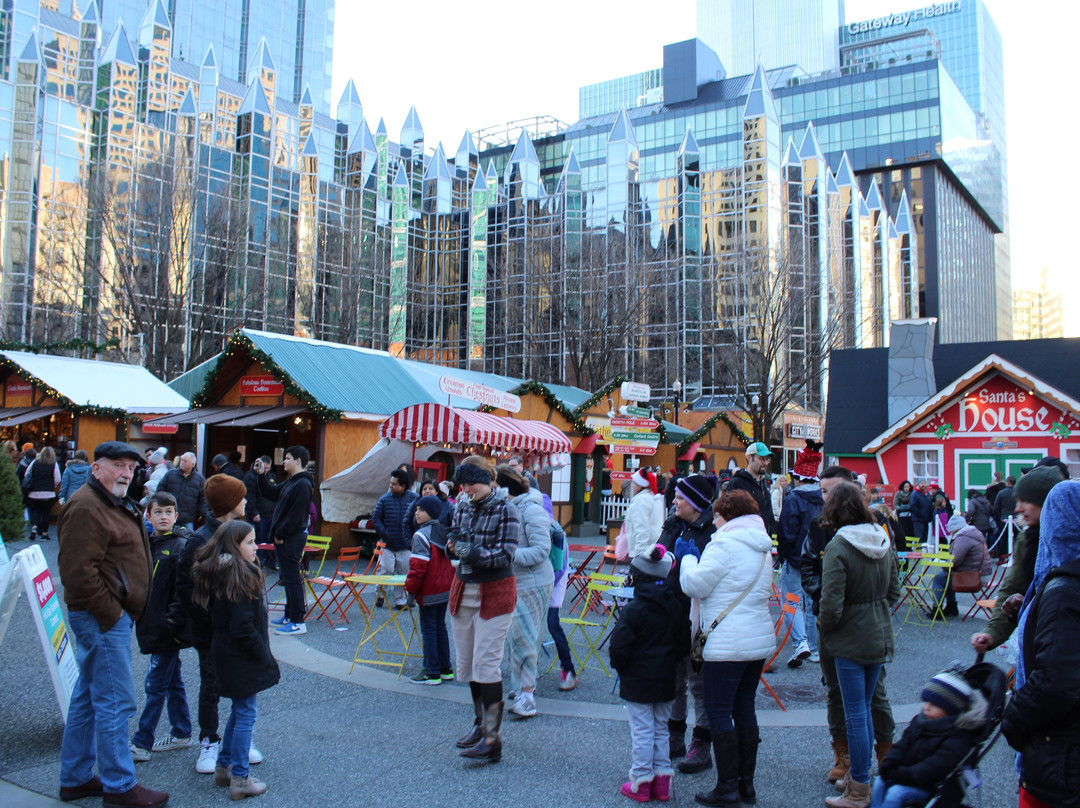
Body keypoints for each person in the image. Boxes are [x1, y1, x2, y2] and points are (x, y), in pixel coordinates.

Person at [56, 441, 169, 808]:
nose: (125, 472)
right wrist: (112, 614)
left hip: (108, 617)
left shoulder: (112, 501)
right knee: (116, 702)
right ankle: (119, 786)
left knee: (89, 698)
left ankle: (74, 778)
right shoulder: (88, 506)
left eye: (131, 467)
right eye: (117, 464)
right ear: (96, 469)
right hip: (102, 619)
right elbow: (78, 575)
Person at [677, 490, 774, 807]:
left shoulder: (723, 543)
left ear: (728, 517)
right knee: (745, 709)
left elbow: (695, 585)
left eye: (717, 516)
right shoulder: (762, 546)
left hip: (726, 644)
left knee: (719, 712)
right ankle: (747, 787)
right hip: (756, 640)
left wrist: (688, 559)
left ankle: (726, 788)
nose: (713, 522)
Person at [818, 482, 901, 808]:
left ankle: (859, 788)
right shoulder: (882, 538)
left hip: (850, 639)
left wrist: (829, 629)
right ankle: (860, 779)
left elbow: (831, 605)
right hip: (879, 632)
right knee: (865, 708)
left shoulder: (839, 546)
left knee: (854, 713)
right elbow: (894, 591)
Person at [173, 472, 262, 775]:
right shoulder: (199, 539)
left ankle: (239, 740)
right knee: (211, 685)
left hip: (243, 628)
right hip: (211, 632)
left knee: (245, 685)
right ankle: (209, 740)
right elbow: (186, 589)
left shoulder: (243, 532)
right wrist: (211, 622)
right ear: (229, 503)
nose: (246, 500)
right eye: (241, 496)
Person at [1000, 478, 1080, 808]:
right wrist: (1032, 611)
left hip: (1061, 756)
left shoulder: (1064, 589)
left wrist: (1015, 720)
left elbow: (1056, 682)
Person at [192, 521, 280, 801]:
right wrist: (264, 656)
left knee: (240, 709)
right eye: (250, 542)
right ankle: (240, 777)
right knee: (246, 712)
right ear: (234, 545)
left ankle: (224, 766)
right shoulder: (237, 577)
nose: (256, 548)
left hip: (226, 653)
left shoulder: (224, 571)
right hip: (239, 655)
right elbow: (243, 627)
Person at [447, 458, 519, 763]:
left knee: (487, 663)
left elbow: (505, 555)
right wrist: (459, 547)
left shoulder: (507, 509)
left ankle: (493, 739)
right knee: (468, 664)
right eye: (462, 485)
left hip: (496, 593)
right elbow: (453, 538)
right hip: (464, 590)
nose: (465, 490)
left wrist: (465, 551)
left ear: (488, 482)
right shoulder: (462, 505)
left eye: (470, 484)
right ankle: (479, 726)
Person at [609, 544, 690, 802]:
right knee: (659, 728)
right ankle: (662, 781)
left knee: (642, 730)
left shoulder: (634, 609)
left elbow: (619, 647)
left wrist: (623, 668)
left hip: (638, 680)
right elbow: (683, 644)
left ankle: (641, 780)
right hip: (666, 678)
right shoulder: (676, 607)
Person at [657, 474, 717, 772]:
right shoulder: (673, 525)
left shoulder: (709, 533)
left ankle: (702, 744)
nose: (674, 501)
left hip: (696, 617)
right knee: (674, 679)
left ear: (694, 503)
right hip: (670, 611)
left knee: (698, 682)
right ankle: (675, 736)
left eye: (680, 498)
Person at [970, 465, 1063, 654]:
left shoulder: (1069, 539)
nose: (1018, 508)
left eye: (1025, 501)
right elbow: (1013, 587)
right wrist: (993, 632)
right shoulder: (1026, 539)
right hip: (1038, 641)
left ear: (1045, 501)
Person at [130, 492, 193, 762]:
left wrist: (172, 622)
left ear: (176, 516)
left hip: (169, 628)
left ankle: (142, 741)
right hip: (153, 623)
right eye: (158, 512)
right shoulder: (147, 543)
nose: (164, 516)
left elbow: (184, 591)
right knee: (172, 680)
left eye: (169, 512)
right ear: (149, 516)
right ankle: (181, 732)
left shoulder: (181, 547)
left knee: (155, 683)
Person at [873, 669, 988, 808]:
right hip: (905, 774)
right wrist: (890, 763)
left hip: (930, 786)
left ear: (950, 708)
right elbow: (902, 745)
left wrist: (906, 775)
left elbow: (937, 765)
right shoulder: (921, 721)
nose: (926, 708)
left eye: (933, 705)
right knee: (879, 782)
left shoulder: (959, 735)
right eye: (926, 702)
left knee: (895, 793)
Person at [498, 464, 553, 719]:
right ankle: (520, 686)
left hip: (533, 581)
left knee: (525, 637)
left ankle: (527, 695)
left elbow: (541, 550)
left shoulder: (531, 510)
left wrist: (506, 554)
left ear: (502, 488)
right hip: (516, 579)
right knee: (516, 636)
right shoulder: (508, 509)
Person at [777, 441, 824, 667]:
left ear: (797, 476)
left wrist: (785, 555)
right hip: (818, 560)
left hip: (795, 560)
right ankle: (814, 648)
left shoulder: (794, 498)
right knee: (813, 601)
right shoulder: (824, 499)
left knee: (791, 602)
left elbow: (786, 531)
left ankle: (800, 642)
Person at [261, 445, 314, 635]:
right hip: (285, 537)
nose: (284, 461)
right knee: (287, 578)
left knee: (292, 579)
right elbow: (271, 492)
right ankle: (290, 615)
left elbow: (296, 516)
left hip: (291, 538)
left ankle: (298, 621)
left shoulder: (303, 484)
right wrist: (260, 475)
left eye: (288, 458)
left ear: (298, 461)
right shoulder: (292, 481)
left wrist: (280, 534)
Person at [404, 495, 455, 685]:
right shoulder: (443, 531)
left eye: (421, 510)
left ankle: (431, 672)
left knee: (429, 629)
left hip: (429, 590)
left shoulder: (421, 535)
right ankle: (445, 669)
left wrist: (411, 592)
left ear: (431, 513)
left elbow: (418, 568)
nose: (416, 513)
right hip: (444, 589)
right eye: (416, 509)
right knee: (440, 627)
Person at [371, 468, 418, 609]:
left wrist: (411, 537)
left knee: (403, 574)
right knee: (385, 570)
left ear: (403, 486)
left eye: (394, 484)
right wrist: (385, 533)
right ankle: (380, 594)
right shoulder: (384, 499)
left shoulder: (413, 499)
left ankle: (400, 600)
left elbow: (417, 520)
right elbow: (376, 518)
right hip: (387, 544)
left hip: (405, 545)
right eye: (390, 483)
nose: (390, 486)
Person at [929, 515, 991, 618]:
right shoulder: (973, 534)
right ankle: (951, 606)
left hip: (972, 578)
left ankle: (936, 610)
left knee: (939, 579)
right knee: (946, 576)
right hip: (980, 573)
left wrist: (944, 565)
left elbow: (955, 561)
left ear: (954, 528)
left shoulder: (963, 538)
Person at [547, 517, 577, 692]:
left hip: (554, 581)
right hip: (536, 581)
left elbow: (560, 566)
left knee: (552, 624)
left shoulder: (556, 531)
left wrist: (547, 585)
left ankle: (568, 669)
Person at [727, 442, 776, 534]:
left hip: (763, 541)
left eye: (767, 459)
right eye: (761, 459)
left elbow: (768, 514)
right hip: (745, 541)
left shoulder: (764, 484)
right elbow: (729, 515)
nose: (765, 463)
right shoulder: (737, 483)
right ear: (749, 458)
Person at [158, 452, 209, 530]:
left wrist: (202, 514)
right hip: (169, 516)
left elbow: (203, 498)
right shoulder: (170, 474)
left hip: (188, 519)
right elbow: (160, 489)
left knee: (187, 540)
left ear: (192, 464)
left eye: (185, 461)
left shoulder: (200, 479)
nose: (182, 463)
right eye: (181, 460)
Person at [24, 445, 60, 540]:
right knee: (46, 512)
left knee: (36, 510)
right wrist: (53, 486)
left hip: (34, 491)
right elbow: (57, 479)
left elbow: (27, 473)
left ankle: (34, 528)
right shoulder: (54, 464)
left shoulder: (35, 463)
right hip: (48, 492)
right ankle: (44, 533)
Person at [624, 468, 661, 560]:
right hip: (654, 548)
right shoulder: (654, 498)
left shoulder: (641, 500)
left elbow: (641, 528)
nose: (633, 485)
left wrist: (639, 554)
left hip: (644, 551)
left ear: (640, 484)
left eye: (635, 482)